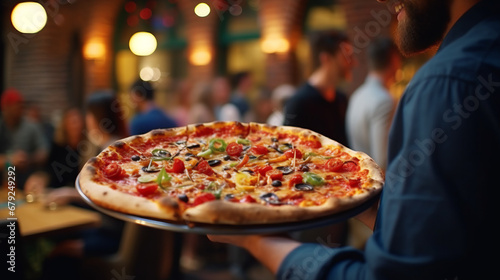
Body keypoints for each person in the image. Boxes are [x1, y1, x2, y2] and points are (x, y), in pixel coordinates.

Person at [208, 0, 500, 279]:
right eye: (345, 54)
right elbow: (456, 233)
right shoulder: (468, 69)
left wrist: (258, 241)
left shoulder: (448, 81)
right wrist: (364, 201)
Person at [283, 30, 353, 146]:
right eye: (347, 57)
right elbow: (288, 150)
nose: (353, 63)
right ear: (326, 58)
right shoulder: (298, 103)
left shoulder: (341, 98)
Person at [346, 37, 401, 170]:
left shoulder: (357, 95)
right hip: (378, 182)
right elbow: (382, 161)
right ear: (394, 60)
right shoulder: (384, 100)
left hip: (360, 174)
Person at [0, 88, 49, 189]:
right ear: (5, 107)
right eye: (15, 105)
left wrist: (28, 159)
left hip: (27, 178)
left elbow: (44, 152)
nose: (20, 108)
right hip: (4, 180)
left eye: (21, 105)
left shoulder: (32, 126)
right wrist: (10, 160)